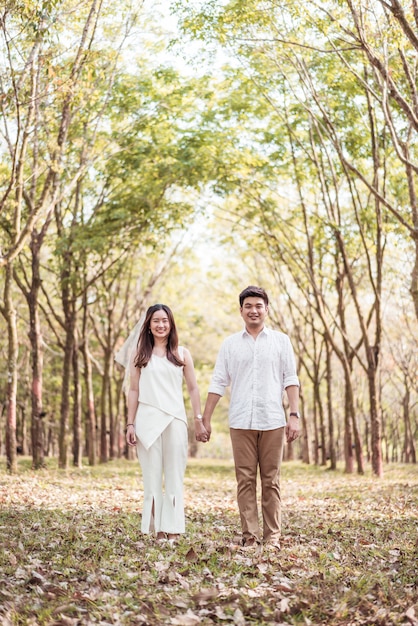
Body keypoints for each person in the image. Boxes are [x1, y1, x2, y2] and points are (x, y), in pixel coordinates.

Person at [199, 286, 301, 550]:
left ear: (266, 309)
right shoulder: (230, 344)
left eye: (258, 305)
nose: (253, 310)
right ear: (241, 310)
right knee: (244, 480)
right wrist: (205, 419)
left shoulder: (281, 341)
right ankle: (250, 535)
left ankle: (273, 536)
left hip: (273, 420)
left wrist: (294, 414)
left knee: (271, 480)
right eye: (248, 306)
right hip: (241, 420)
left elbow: (291, 379)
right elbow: (218, 382)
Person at [125, 304, 207, 544]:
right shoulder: (139, 354)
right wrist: (130, 424)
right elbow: (133, 389)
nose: (161, 325)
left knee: (173, 476)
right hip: (147, 421)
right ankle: (158, 530)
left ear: (171, 324)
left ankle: (173, 529)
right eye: (156, 321)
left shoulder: (182, 354)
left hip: (175, 420)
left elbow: (193, 388)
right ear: (149, 326)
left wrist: (198, 419)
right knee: (151, 477)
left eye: (165, 320)